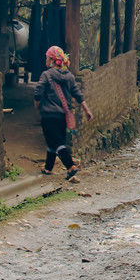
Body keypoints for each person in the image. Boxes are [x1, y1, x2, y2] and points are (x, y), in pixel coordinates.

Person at [34, 45, 93, 180]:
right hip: (62, 116)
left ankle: (70, 166)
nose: (46, 60)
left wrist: (37, 106)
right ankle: (48, 168)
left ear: (53, 60)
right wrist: (87, 110)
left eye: (47, 58)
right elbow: (78, 94)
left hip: (48, 115)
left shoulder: (46, 75)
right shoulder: (70, 77)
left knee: (58, 143)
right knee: (52, 141)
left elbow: (38, 93)